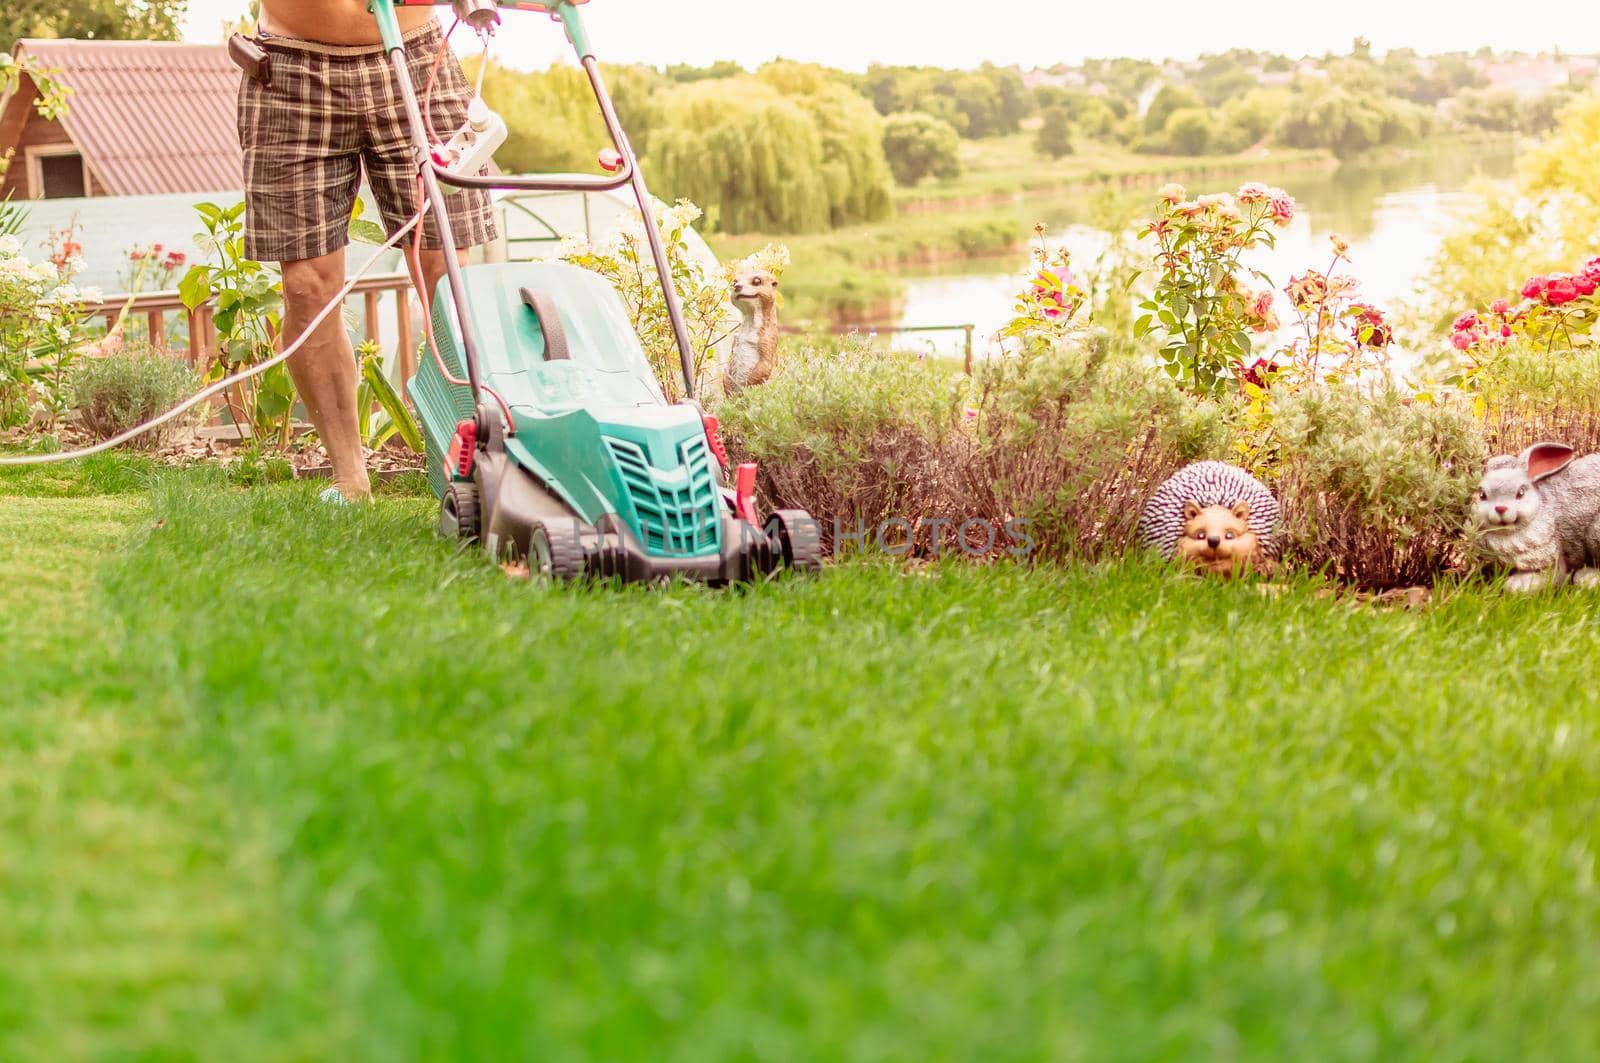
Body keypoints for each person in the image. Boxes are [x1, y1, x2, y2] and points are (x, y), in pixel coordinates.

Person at [238, 1, 497, 501]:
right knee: (306, 286)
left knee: (446, 271)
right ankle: (349, 479)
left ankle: (474, 460)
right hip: (292, 69)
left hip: (416, 56)